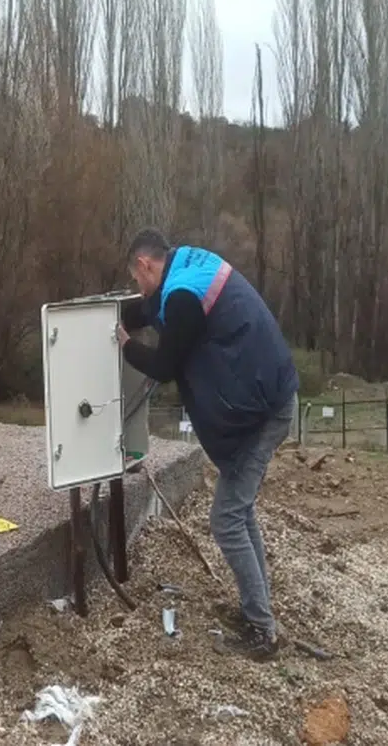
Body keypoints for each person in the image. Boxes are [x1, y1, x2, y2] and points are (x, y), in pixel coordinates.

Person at [117, 228, 298, 661]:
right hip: (271, 393)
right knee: (239, 511)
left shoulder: (182, 297)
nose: (138, 289)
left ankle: (263, 631)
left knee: (227, 519)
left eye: (136, 279)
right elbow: (152, 308)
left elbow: (162, 365)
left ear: (146, 265)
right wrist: (117, 310)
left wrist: (124, 343)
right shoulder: (189, 265)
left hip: (264, 410)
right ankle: (259, 610)